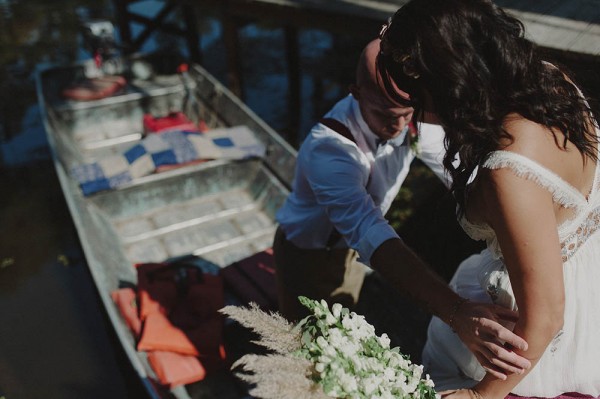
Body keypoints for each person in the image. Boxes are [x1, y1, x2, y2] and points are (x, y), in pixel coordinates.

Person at [378, 0, 600, 398]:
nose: (419, 109)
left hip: (547, 329)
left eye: (418, 95)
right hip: (588, 274)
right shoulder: (548, 82)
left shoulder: (510, 173)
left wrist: (480, 395)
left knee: (445, 365)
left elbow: (546, 313)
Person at [273, 38, 531, 381]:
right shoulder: (329, 150)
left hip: (349, 254)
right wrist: (455, 311)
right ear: (355, 92)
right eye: (385, 115)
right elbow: (369, 231)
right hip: (307, 252)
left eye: (407, 115)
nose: (398, 127)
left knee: (343, 321)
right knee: (305, 345)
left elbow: (457, 174)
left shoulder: (408, 117)